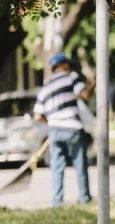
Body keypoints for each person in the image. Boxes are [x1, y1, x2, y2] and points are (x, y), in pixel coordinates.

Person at [34, 53, 96, 207]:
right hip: (73, 129)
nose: (69, 66)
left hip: (55, 131)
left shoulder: (46, 87)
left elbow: (37, 116)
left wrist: (52, 123)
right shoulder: (71, 77)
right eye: (67, 64)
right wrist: (93, 83)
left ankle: (57, 202)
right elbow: (85, 95)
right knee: (80, 164)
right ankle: (84, 198)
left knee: (56, 167)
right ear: (62, 65)